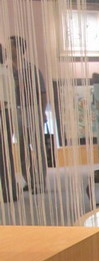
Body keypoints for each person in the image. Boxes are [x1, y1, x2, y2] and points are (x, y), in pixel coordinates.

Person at [10, 35, 48, 194]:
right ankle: (29, 179)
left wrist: (42, 111)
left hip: (32, 109)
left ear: (19, 49)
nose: (9, 49)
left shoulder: (32, 69)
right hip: (16, 110)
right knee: (22, 148)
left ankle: (39, 181)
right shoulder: (7, 70)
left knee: (37, 147)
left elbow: (42, 93)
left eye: (12, 46)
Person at [0, 45, 18, 202]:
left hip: (3, 114)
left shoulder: (2, 73)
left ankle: (8, 191)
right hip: (9, 113)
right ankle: (10, 190)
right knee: (6, 155)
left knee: (3, 156)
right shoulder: (7, 72)